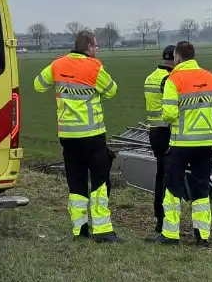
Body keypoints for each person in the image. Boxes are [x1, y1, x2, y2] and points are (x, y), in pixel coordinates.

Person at [33, 30, 123, 243]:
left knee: (76, 183)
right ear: (89, 46)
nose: (97, 50)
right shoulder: (94, 67)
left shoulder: (57, 65)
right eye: (96, 46)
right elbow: (112, 90)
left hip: (68, 136)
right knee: (99, 182)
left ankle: (79, 230)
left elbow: (38, 85)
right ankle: (102, 230)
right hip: (92, 135)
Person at [158, 41, 212, 247]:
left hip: (181, 143)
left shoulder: (173, 79)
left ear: (177, 58)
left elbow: (169, 114)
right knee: (201, 189)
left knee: (173, 188)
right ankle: (202, 236)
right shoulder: (211, 77)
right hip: (205, 142)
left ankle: (171, 234)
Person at [142, 45, 177, 239]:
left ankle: (159, 217)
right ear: (176, 59)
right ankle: (164, 220)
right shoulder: (170, 79)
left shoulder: (150, 77)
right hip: (167, 132)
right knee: (168, 176)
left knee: (161, 174)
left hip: (154, 131)